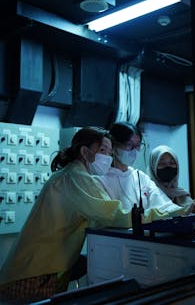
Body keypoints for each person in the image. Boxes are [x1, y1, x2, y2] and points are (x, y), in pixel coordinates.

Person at [0, 127, 182, 304]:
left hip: (43, 269)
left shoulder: (73, 175)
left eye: (110, 153)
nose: (107, 157)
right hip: (35, 274)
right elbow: (116, 215)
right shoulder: (77, 178)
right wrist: (168, 213)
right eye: (103, 150)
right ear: (85, 152)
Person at [96, 122, 188, 214]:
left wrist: (182, 210)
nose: (134, 150)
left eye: (138, 145)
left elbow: (162, 203)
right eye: (129, 145)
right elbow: (112, 216)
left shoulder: (140, 177)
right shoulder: (101, 180)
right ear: (114, 146)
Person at [148, 145, 195, 213]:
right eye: (162, 163)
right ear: (153, 168)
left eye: (172, 163)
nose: (168, 167)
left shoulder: (182, 195)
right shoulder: (147, 195)